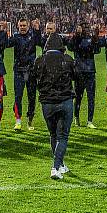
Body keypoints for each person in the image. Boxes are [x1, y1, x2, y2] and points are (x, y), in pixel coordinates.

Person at [32, 33, 76, 180]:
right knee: (62, 136)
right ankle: (55, 167)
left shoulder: (39, 61)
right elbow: (78, 78)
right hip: (65, 101)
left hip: (47, 103)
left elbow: (33, 79)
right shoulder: (67, 59)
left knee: (53, 135)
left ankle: (61, 165)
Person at [7, 18, 44, 131]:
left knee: (31, 96)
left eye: (24, 25)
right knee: (18, 96)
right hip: (18, 70)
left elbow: (40, 42)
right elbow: (6, 44)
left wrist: (37, 29)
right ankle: (18, 120)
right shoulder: (16, 37)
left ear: (28, 26)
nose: (22, 27)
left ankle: (30, 120)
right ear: (18, 26)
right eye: (20, 25)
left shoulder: (33, 36)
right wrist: (3, 32)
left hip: (30, 71)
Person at [66, 22, 101, 128]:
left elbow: (97, 50)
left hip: (90, 71)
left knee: (91, 97)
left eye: (86, 27)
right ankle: (76, 118)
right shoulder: (77, 39)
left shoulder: (91, 38)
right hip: (79, 71)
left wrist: (95, 38)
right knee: (78, 96)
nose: (85, 29)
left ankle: (89, 121)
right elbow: (70, 47)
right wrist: (76, 35)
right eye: (83, 27)